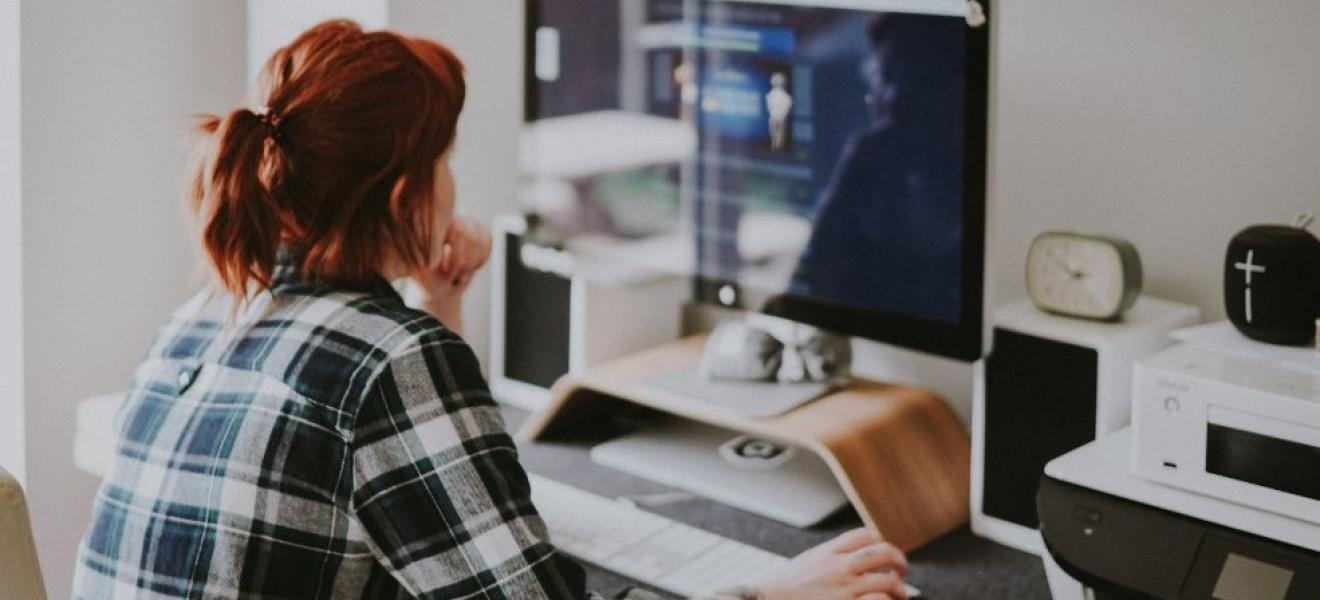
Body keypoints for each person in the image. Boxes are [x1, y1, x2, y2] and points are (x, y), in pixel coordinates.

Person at [71, 20, 911, 600]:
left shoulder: (207, 312)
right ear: (407, 193)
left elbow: (405, 494)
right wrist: (773, 590)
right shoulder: (389, 360)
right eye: (447, 161)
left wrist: (434, 305)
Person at [789, 14, 966, 324]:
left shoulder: (977, 187)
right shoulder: (868, 166)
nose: (896, 97)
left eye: (918, 77)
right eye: (886, 76)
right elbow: (805, 292)